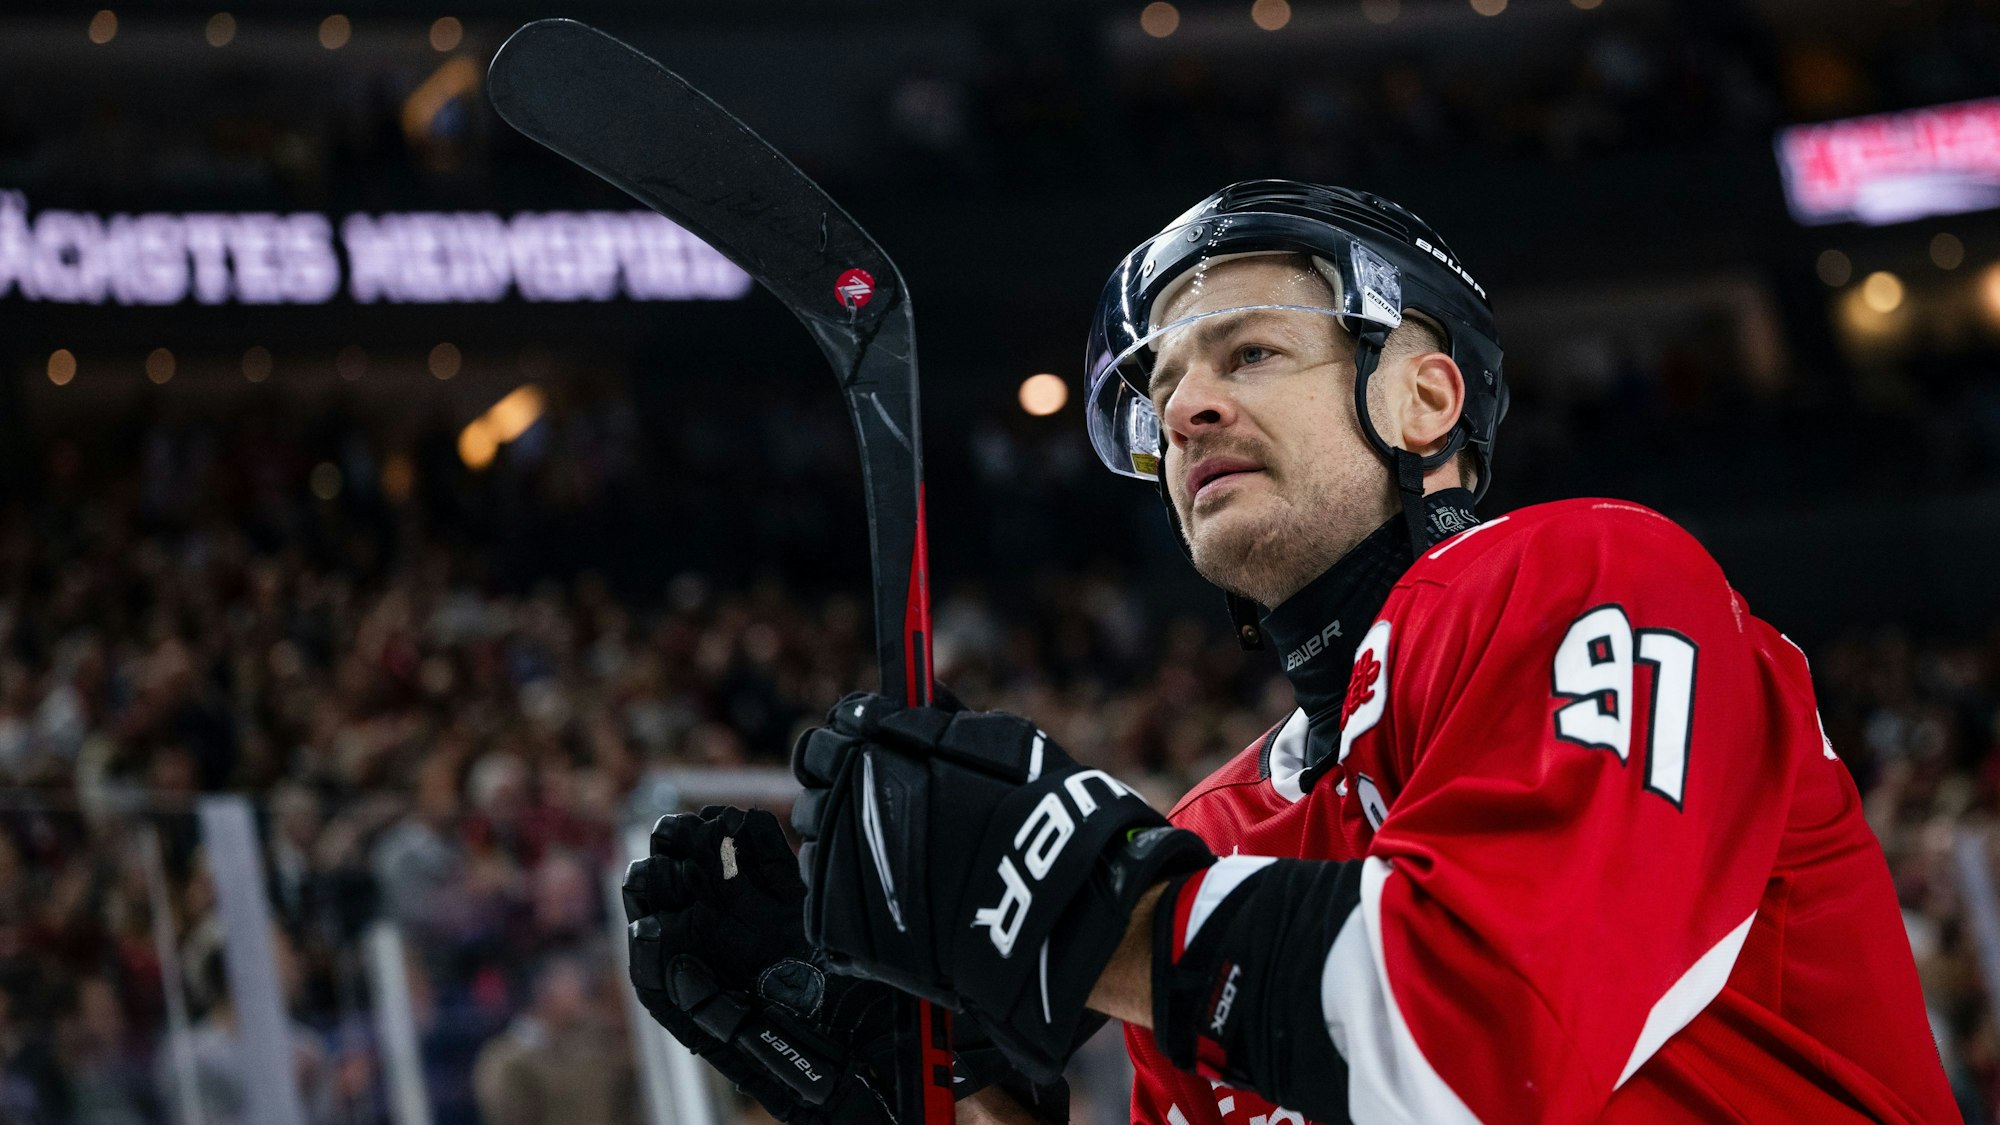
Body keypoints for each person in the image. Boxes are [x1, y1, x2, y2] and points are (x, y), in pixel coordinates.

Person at [628, 181, 1959, 1123]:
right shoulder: (1225, 832)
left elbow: (1487, 1049)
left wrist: (1092, 913)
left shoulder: (1589, 572)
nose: (1185, 402)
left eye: (1250, 351)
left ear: (1424, 394)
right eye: (1159, 387)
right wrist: (944, 1100)